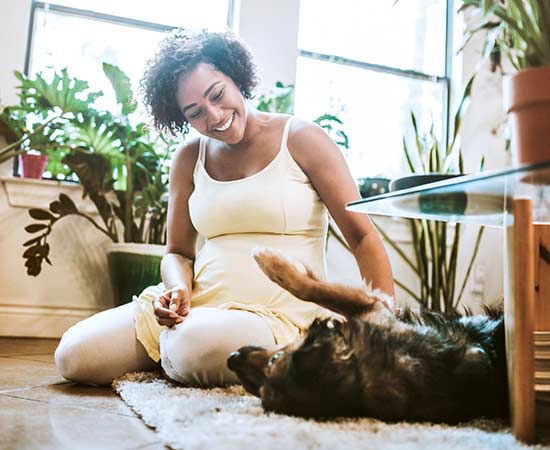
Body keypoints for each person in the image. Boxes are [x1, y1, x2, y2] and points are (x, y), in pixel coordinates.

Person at [54, 29, 394, 387]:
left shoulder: (302, 138)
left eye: (217, 94)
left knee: (192, 345)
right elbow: (177, 253)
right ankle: (193, 359)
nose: (214, 116)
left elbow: (362, 237)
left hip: (279, 314)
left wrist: (385, 330)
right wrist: (177, 290)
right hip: (196, 308)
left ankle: (193, 356)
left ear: (235, 75)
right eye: (195, 112)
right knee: (74, 355)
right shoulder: (188, 158)